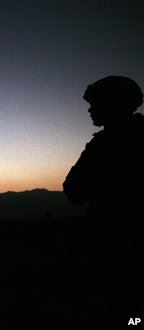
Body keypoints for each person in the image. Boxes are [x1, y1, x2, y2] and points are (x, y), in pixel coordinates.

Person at [63, 76, 144, 326]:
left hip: (116, 250)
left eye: (95, 103)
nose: (90, 109)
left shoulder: (105, 144)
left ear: (112, 104)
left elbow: (74, 191)